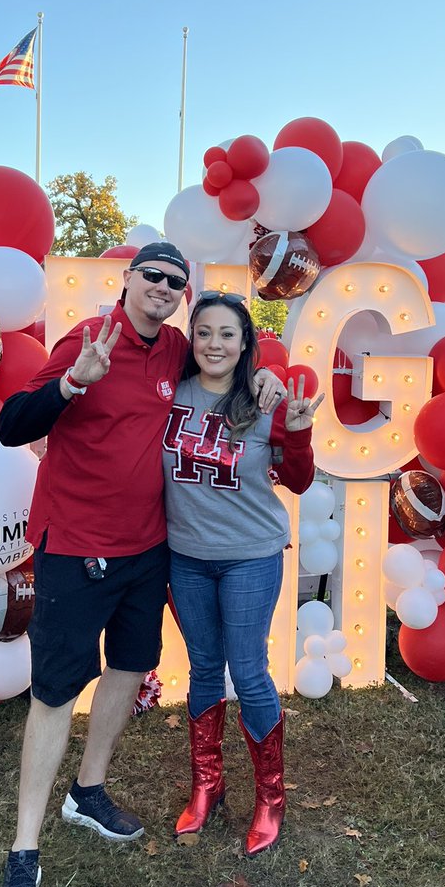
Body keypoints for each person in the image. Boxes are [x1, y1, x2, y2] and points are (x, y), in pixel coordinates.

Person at [0, 243, 284, 887]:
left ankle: (88, 792)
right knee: (57, 692)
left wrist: (267, 379)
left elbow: (230, 354)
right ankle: (23, 853)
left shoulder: (176, 351)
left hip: (150, 549)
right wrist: (69, 386)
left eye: (174, 282)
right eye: (151, 276)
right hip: (74, 547)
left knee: (128, 668)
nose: (163, 287)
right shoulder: (87, 341)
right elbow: (12, 425)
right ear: (126, 281)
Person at [164, 291, 323, 856]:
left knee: (249, 672)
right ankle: (207, 784)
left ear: (244, 343)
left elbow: (299, 481)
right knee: (204, 669)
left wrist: (298, 431)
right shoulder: (170, 394)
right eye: (204, 332)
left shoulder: (264, 400)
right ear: (192, 339)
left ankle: (270, 797)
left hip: (250, 555)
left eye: (227, 334)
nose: (214, 344)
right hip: (184, 556)